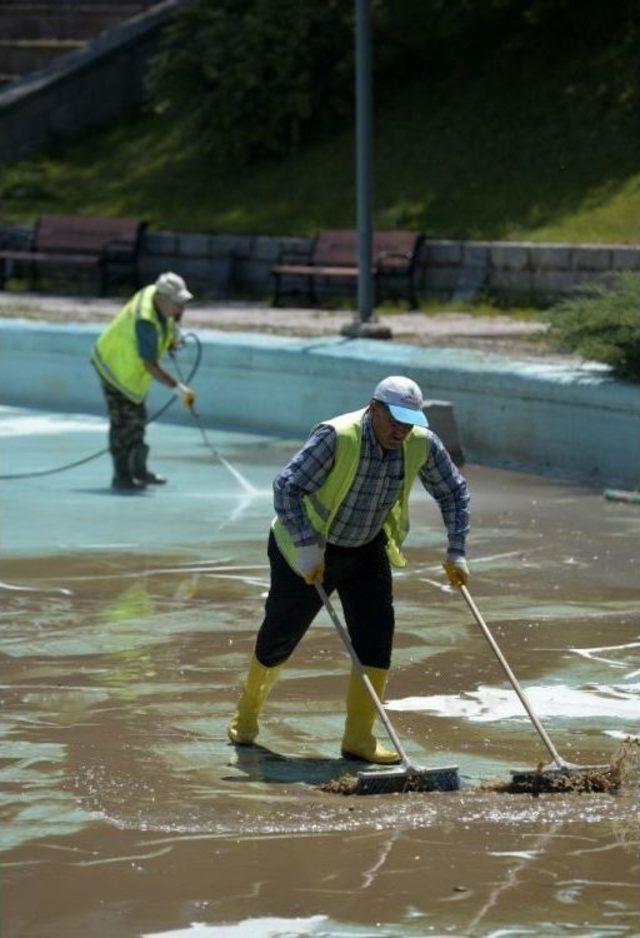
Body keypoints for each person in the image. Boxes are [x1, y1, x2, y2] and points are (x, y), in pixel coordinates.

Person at [228, 375, 470, 765]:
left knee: (376, 638)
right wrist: (307, 546)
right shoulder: (336, 436)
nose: (401, 430)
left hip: (366, 546)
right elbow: (286, 487)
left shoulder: (420, 442)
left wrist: (456, 551)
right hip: (306, 548)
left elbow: (454, 491)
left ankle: (359, 739)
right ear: (374, 408)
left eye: (409, 421)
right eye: (394, 420)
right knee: (279, 636)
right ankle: (246, 717)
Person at [91, 271, 197, 491]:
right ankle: (121, 476)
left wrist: (173, 333)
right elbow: (150, 365)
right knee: (124, 423)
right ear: (163, 298)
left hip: (131, 371)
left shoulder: (154, 293)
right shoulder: (145, 321)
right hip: (114, 368)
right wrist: (179, 389)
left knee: (138, 418)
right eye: (177, 304)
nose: (181, 310)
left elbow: (167, 321)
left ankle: (138, 470)